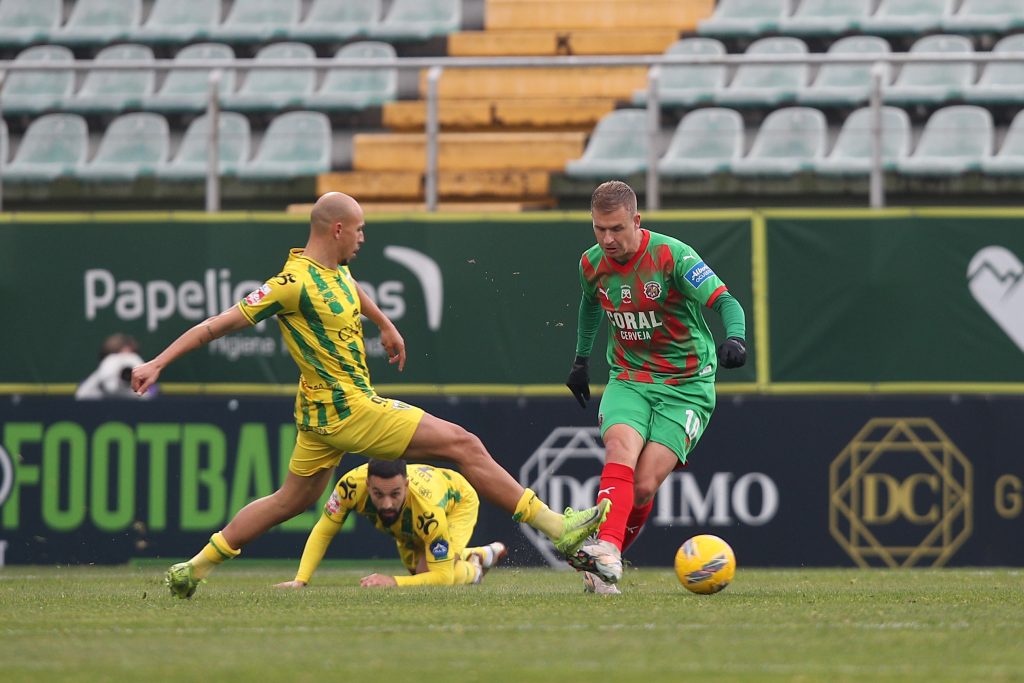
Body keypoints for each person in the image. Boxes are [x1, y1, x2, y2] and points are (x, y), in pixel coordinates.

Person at [131, 191, 609, 599]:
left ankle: (192, 570)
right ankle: (557, 529)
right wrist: (157, 363)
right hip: (349, 409)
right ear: (337, 229)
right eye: (358, 230)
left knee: (288, 501)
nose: (363, 238)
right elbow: (216, 326)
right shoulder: (290, 284)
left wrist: (384, 324)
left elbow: (352, 290)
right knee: (464, 444)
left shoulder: (334, 271)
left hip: (319, 416)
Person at [564, 180, 747, 595]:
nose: (607, 239)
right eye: (599, 229)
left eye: (616, 229)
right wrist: (580, 359)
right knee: (619, 450)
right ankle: (607, 550)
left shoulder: (673, 256)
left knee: (644, 485)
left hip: (687, 385)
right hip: (630, 378)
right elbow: (589, 304)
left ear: (636, 220)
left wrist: (735, 338)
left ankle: (602, 565)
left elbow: (726, 301)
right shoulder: (591, 264)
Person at [274, 458, 507, 588]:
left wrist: (392, 582)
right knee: (417, 574)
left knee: (429, 576)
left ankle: (473, 570)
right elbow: (324, 530)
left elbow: (442, 578)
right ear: (367, 484)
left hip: (456, 502)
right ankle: (478, 554)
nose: (386, 504)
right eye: (378, 494)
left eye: (395, 494)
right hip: (411, 516)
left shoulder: (429, 513)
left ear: (405, 485)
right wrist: (300, 580)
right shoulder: (350, 486)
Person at [76, 333, 152, 400]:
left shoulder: (147, 386)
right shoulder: (93, 386)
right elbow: (80, 397)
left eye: (130, 356)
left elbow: (150, 398)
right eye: (118, 357)